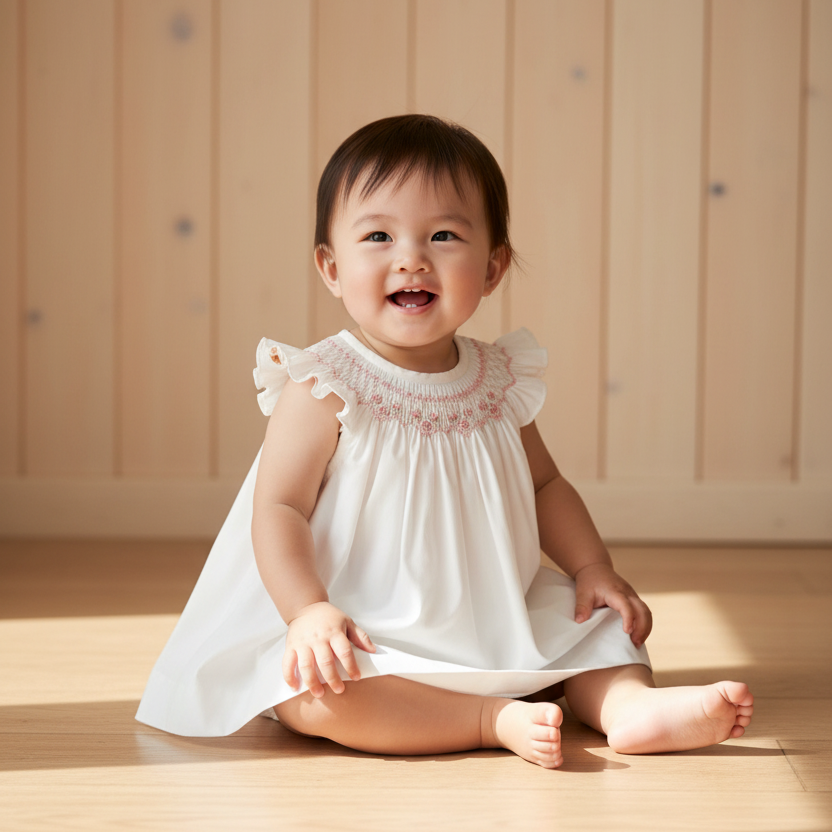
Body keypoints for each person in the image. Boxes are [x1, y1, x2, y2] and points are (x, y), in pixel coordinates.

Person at [136, 115, 753, 768]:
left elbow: (545, 485)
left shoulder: (497, 378)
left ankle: (628, 708)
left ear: (492, 268)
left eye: (443, 235)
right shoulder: (324, 384)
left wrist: (592, 568)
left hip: (493, 612)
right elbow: (279, 509)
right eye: (378, 235)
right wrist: (308, 610)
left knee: (600, 625)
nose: (411, 257)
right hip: (365, 624)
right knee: (316, 693)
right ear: (331, 267)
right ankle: (489, 717)